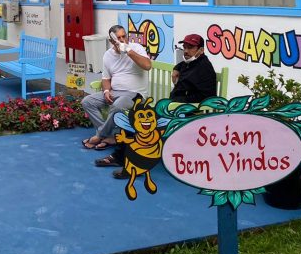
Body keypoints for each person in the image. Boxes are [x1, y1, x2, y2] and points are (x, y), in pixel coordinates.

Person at [95, 32, 217, 176]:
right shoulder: (191, 62)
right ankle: (120, 157)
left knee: (144, 127)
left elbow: (207, 98)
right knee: (134, 119)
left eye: (190, 47)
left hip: (187, 113)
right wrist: (176, 68)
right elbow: (184, 65)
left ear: (200, 50)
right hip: (172, 108)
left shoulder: (204, 68)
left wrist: (175, 106)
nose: (186, 50)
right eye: (184, 46)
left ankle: (133, 166)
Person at [81, 25, 151, 151]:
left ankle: (100, 135)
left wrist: (128, 50)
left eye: (124, 36)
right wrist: (106, 91)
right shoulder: (108, 55)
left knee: (118, 105)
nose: (123, 39)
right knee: (87, 101)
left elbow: (147, 65)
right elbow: (106, 78)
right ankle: (111, 136)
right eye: (119, 38)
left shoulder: (136, 48)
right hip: (115, 92)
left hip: (135, 94)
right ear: (112, 41)